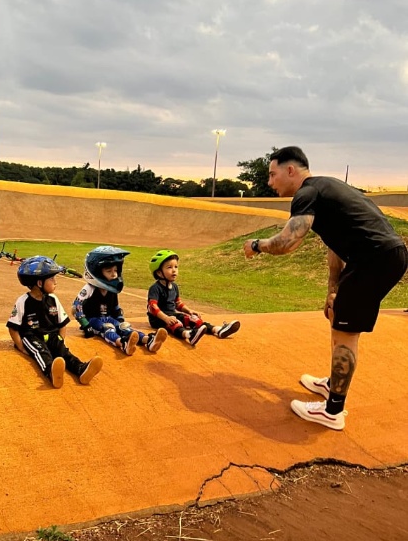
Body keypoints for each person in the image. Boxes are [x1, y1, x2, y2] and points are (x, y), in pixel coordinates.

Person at [243, 145, 407, 430]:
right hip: (377, 257)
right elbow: (335, 245)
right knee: (338, 318)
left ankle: (333, 411)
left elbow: (287, 242)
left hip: (374, 259)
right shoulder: (326, 187)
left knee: (346, 334)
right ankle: (333, 384)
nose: (269, 182)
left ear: (290, 170)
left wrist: (257, 245)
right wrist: (334, 289)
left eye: (272, 174)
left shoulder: (306, 193)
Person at [7, 255, 103, 389]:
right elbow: (13, 327)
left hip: (52, 335)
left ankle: (81, 369)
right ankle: (51, 372)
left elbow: (62, 323)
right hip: (32, 336)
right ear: (39, 283)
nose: (55, 282)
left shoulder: (53, 299)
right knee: (41, 352)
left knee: (64, 352)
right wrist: (21, 347)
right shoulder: (23, 301)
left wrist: (60, 341)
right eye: (51, 279)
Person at [72, 245, 167, 355]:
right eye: (109, 271)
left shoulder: (112, 288)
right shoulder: (89, 288)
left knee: (124, 327)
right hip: (93, 320)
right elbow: (76, 307)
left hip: (108, 317)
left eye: (116, 270)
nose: (114, 274)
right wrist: (85, 325)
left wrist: (119, 319)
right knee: (108, 328)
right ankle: (122, 344)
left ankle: (148, 340)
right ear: (97, 272)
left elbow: (115, 307)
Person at [147, 250, 241, 345]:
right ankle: (188, 335)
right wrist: (166, 318)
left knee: (193, 319)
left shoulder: (174, 287)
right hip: (158, 319)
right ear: (159, 273)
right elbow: (152, 307)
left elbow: (178, 303)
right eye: (169, 267)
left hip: (172, 315)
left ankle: (218, 330)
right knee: (175, 323)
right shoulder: (155, 288)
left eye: (176, 266)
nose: (174, 270)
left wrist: (189, 311)